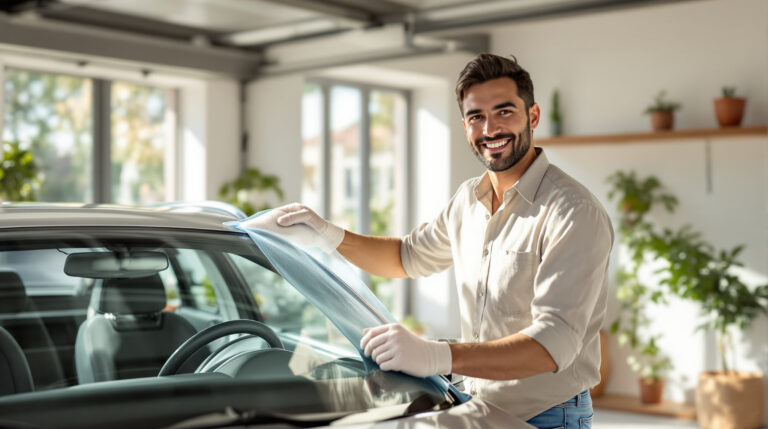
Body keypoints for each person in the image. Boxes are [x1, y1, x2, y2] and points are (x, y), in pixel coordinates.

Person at [274, 53, 613, 429]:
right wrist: (329, 234)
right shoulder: (468, 200)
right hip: (477, 408)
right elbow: (405, 256)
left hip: (547, 417)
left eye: (504, 112)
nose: (490, 129)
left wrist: (437, 356)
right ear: (465, 125)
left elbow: (553, 343)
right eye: (476, 117)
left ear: (532, 116)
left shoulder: (572, 211)